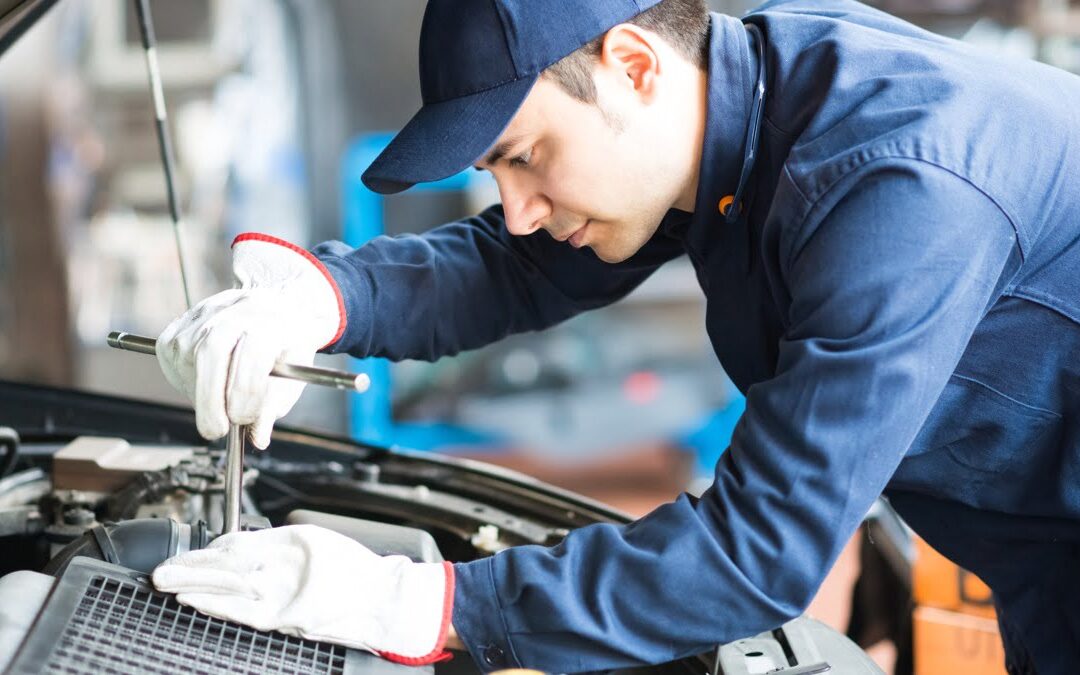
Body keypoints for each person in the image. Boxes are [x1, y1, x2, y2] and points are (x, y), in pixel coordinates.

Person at [149, 0, 1080, 672]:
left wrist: (427, 602)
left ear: (634, 66)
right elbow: (519, 265)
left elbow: (758, 552)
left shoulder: (895, 188)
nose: (517, 209)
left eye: (525, 157)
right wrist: (324, 297)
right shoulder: (750, 97)